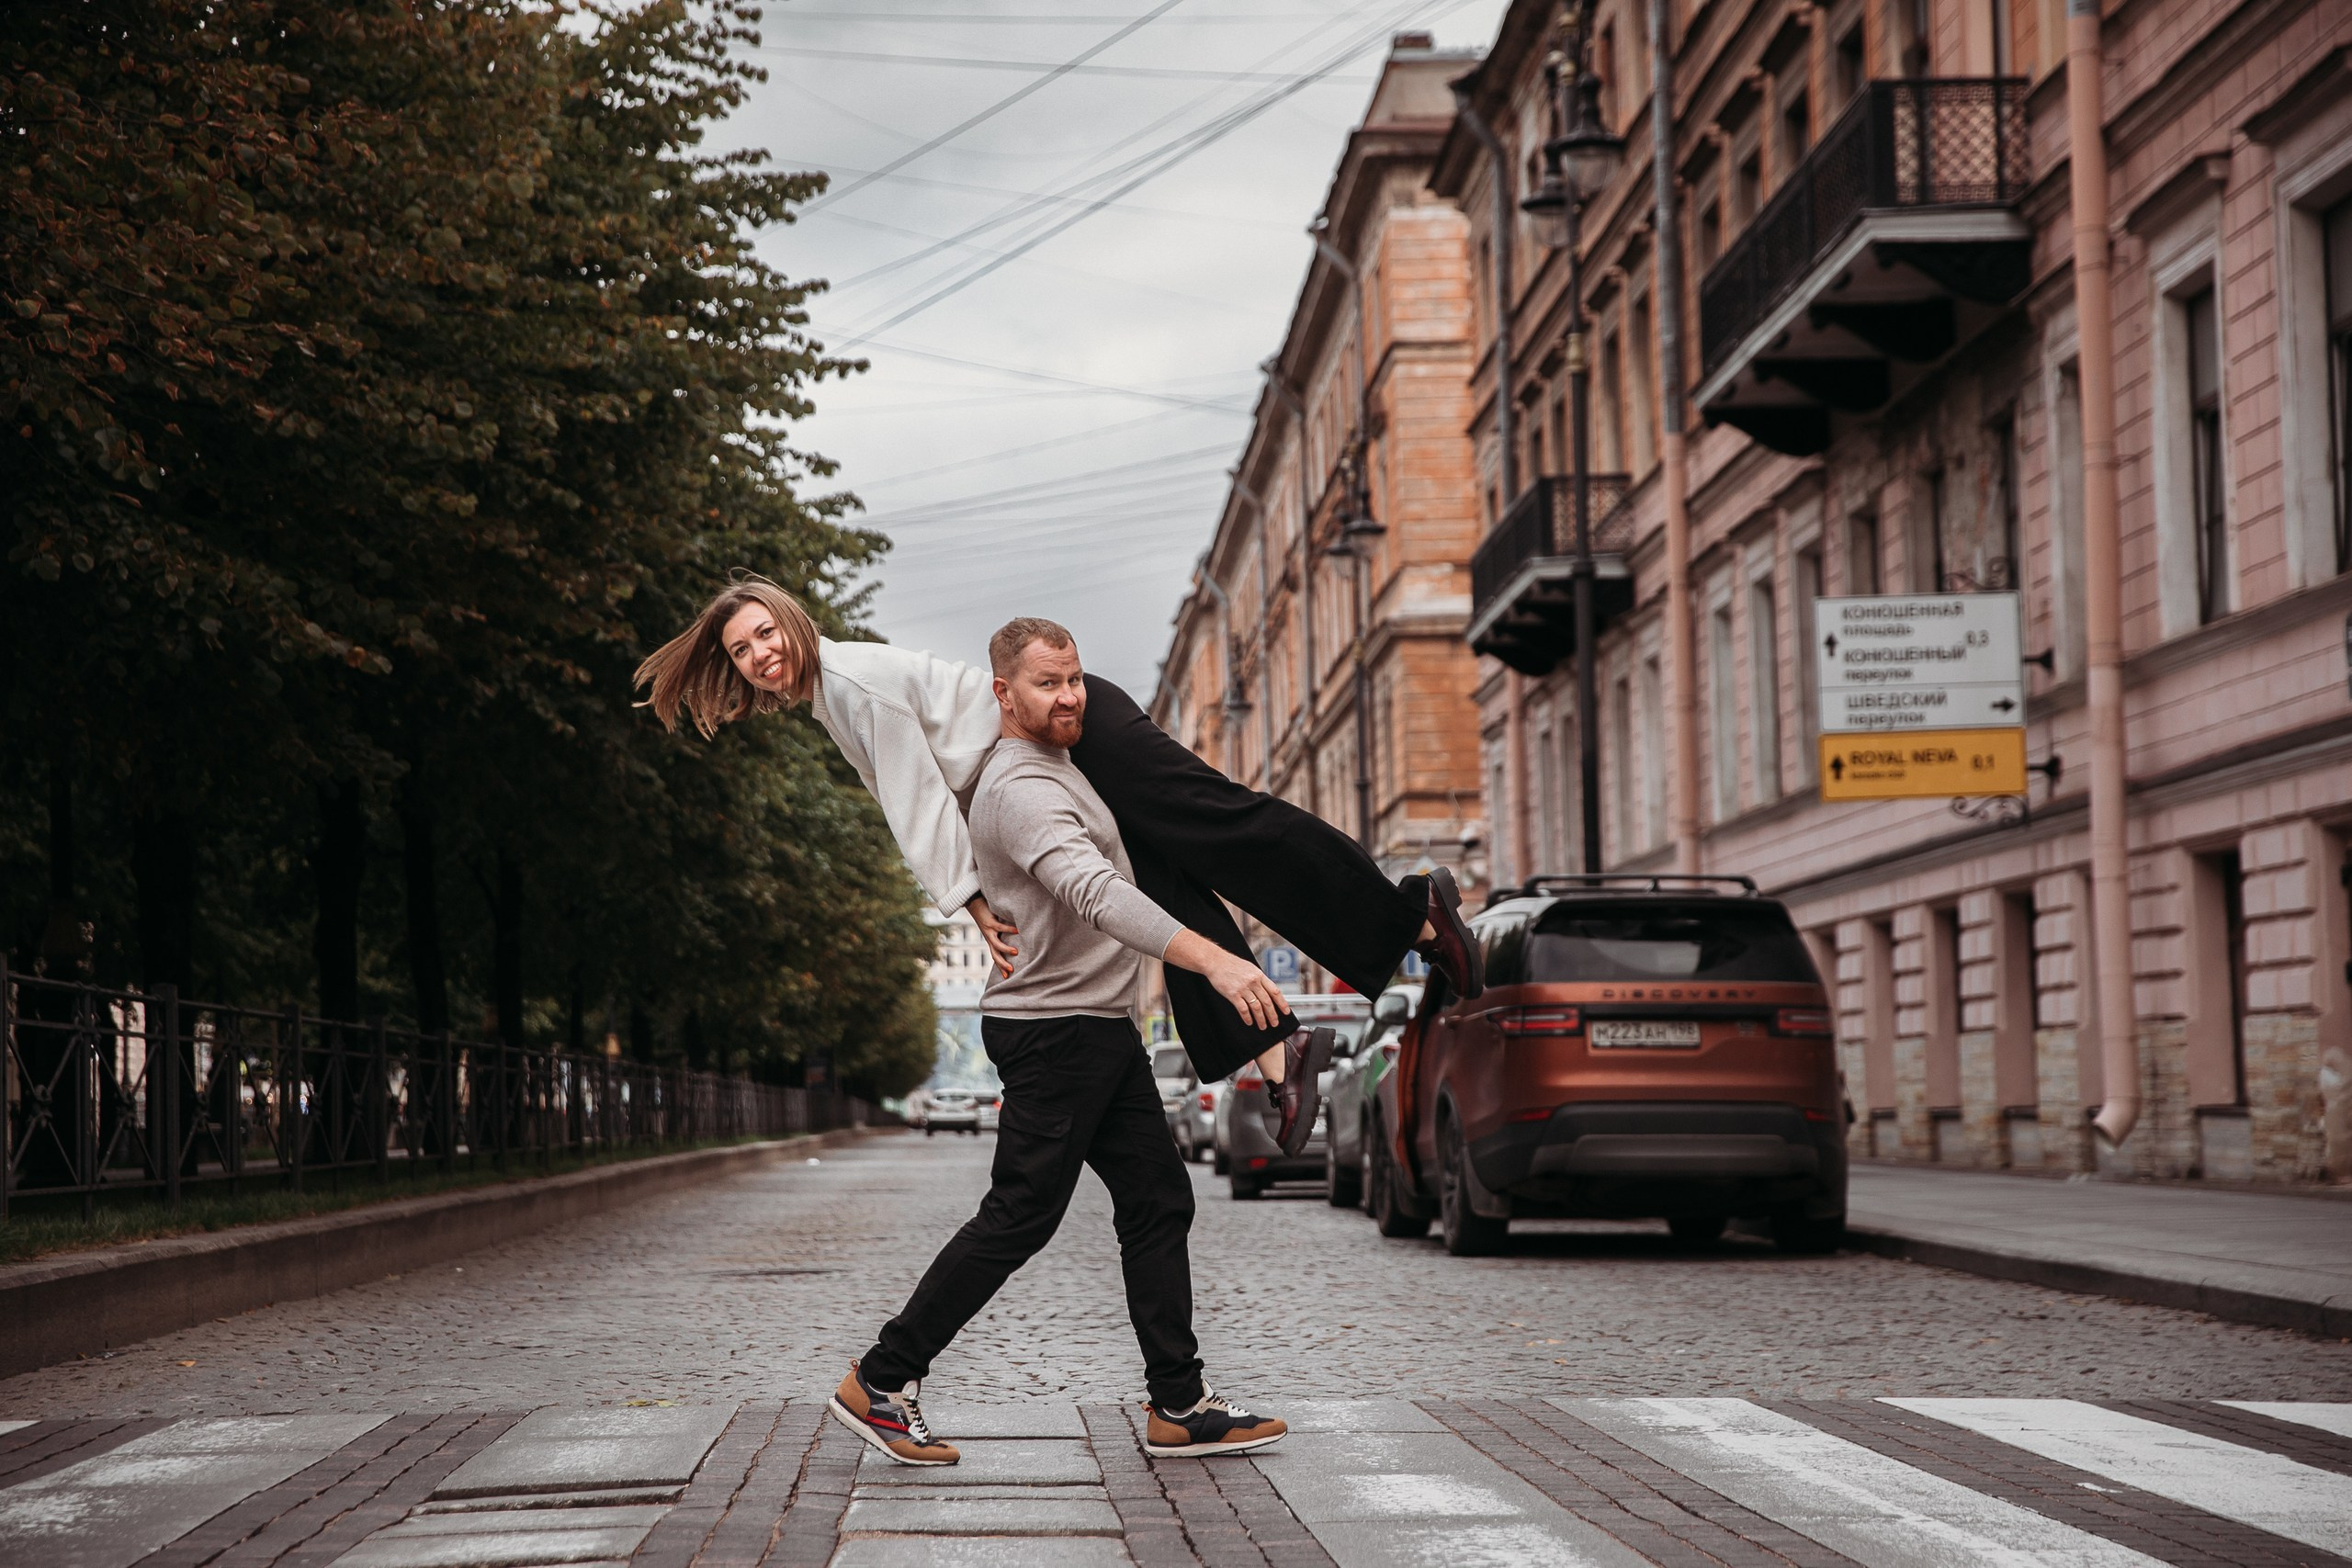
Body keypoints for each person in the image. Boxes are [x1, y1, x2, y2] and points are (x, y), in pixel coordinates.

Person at [634, 575, 1484, 1152]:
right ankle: (1279, 1054)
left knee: (1227, 829)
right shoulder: (833, 692)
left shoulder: (852, 680)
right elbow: (925, 789)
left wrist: (968, 899)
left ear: (790, 619)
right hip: (1039, 762)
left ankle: (1411, 914)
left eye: (762, 634)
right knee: (1161, 895)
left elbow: (914, 799)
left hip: (1071, 730)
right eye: (741, 651)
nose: (758, 655)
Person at [830, 617, 1290, 1463]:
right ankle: (883, 1378)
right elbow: (1096, 892)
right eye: (1048, 683)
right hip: (1054, 1031)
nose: (1070, 696)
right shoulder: (1021, 788)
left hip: (1095, 1027)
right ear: (1003, 695)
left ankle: (1178, 1403)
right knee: (1021, 1214)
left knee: (1157, 1198)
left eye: (1076, 678)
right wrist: (1218, 964)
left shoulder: (1064, 767)